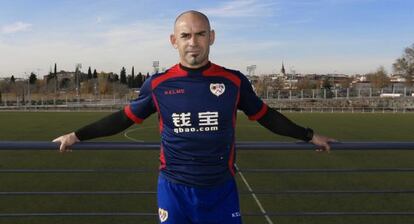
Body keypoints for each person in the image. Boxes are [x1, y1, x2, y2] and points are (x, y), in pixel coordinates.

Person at [53, 10, 335, 224]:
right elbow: (123, 118)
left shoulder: (233, 81)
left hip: (221, 190)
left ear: (211, 37)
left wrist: (309, 135)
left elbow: (267, 116)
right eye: (186, 36)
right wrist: (77, 135)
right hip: (174, 190)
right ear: (174, 41)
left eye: (200, 34)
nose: (193, 43)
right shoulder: (159, 84)